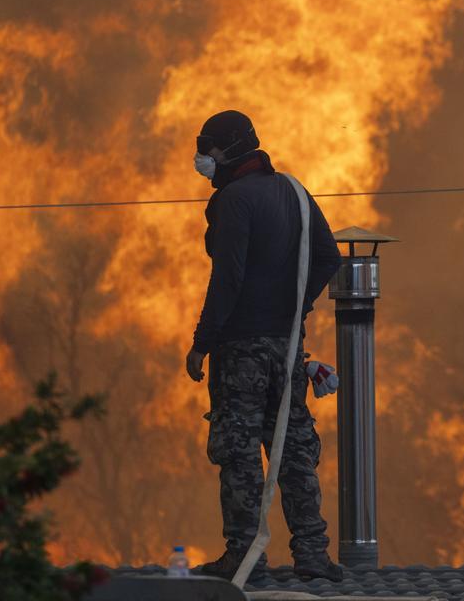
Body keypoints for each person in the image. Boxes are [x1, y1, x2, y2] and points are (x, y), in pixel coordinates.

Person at [183, 110, 343, 583]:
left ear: (229, 150)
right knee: (292, 446)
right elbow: (328, 257)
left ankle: (244, 556)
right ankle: (312, 554)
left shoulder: (232, 201)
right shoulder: (294, 191)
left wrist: (202, 343)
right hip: (289, 345)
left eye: (206, 148)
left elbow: (227, 279)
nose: (201, 158)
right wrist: (296, 309)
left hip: (240, 349)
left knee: (238, 451)